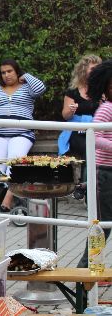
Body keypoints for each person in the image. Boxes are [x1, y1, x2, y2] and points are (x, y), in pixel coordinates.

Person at [0, 59, 46, 212]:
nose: (6, 75)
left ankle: (8, 198)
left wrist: (26, 76)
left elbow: (41, 88)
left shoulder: (27, 88)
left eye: (10, 71)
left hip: (22, 134)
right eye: (3, 72)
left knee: (15, 162)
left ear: (17, 71)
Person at [78, 60, 112, 268]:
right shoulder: (106, 109)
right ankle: (84, 270)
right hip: (104, 174)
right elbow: (94, 137)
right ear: (105, 88)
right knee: (102, 226)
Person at [59, 54, 102, 158]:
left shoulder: (102, 90)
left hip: (98, 129)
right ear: (83, 71)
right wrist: (71, 110)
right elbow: (65, 116)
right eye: (92, 68)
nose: (96, 71)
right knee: (87, 148)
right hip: (77, 130)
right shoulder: (73, 91)